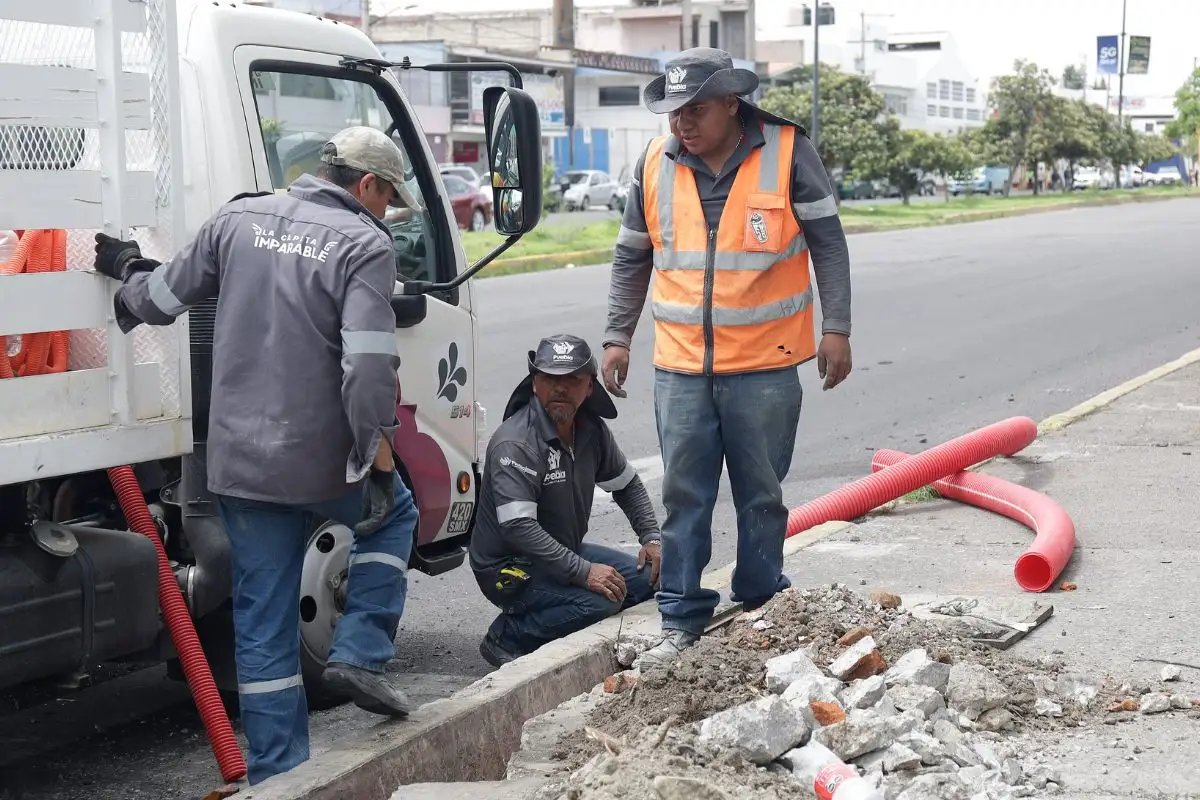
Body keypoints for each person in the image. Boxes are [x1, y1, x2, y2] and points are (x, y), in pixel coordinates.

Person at [92, 126, 419, 785]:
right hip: (322, 462)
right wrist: (373, 457)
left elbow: (157, 302)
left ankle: (279, 775)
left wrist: (127, 268)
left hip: (241, 468)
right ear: (367, 185)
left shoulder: (238, 219)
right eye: (389, 199)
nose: (388, 213)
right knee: (397, 515)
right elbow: (368, 368)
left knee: (262, 616)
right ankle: (359, 651)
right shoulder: (364, 242)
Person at [600, 48, 854, 668]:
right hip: (682, 367)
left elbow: (828, 241)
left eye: (696, 108)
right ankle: (680, 616)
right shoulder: (655, 162)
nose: (682, 122)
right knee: (684, 496)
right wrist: (616, 336)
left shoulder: (788, 152)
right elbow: (632, 255)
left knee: (761, 495)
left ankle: (762, 599)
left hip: (766, 366)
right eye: (673, 110)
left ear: (732, 105)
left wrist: (837, 327)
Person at [469, 334, 662, 667]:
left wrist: (652, 538)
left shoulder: (592, 430)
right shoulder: (516, 443)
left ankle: (563, 613)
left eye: (572, 379)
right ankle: (509, 635)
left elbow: (626, 485)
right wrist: (584, 572)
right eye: (550, 379)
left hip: (559, 551)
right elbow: (519, 528)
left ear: (589, 387)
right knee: (600, 603)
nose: (560, 388)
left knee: (652, 578)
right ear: (534, 384)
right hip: (509, 567)